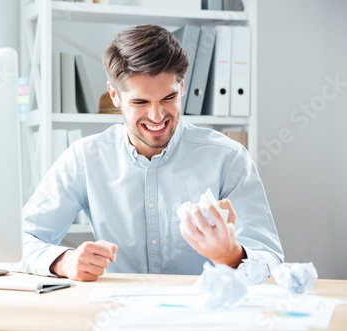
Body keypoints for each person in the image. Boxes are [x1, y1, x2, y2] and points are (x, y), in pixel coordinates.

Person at [17, 24, 283, 281]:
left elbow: (269, 257)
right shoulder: (85, 158)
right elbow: (19, 241)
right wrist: (64, 261)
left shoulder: (228, 158)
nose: (157, 116)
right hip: (118, 315)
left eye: (168, 98)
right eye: (140, 102)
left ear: (183, 87)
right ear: (115, 95)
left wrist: (231, 256)